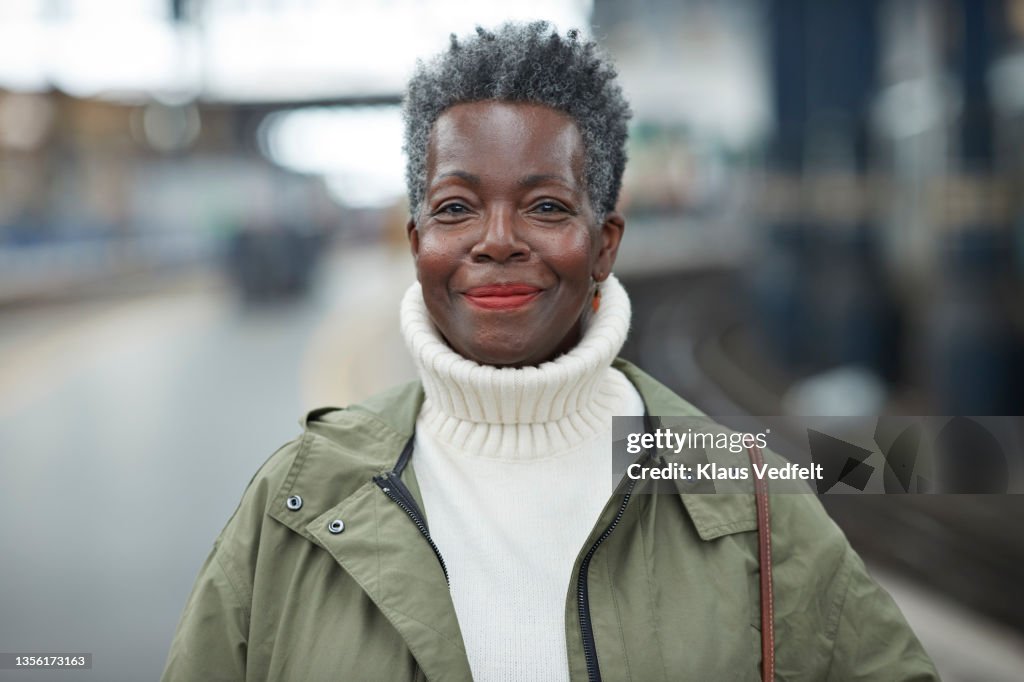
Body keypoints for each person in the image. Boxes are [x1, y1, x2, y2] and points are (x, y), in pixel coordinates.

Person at [162, 22, 938, 681]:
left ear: (604, 245)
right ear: (417, 242)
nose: (497, 241)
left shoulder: (750, 500)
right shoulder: (296, 502)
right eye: (457, 207)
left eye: (545, 206)